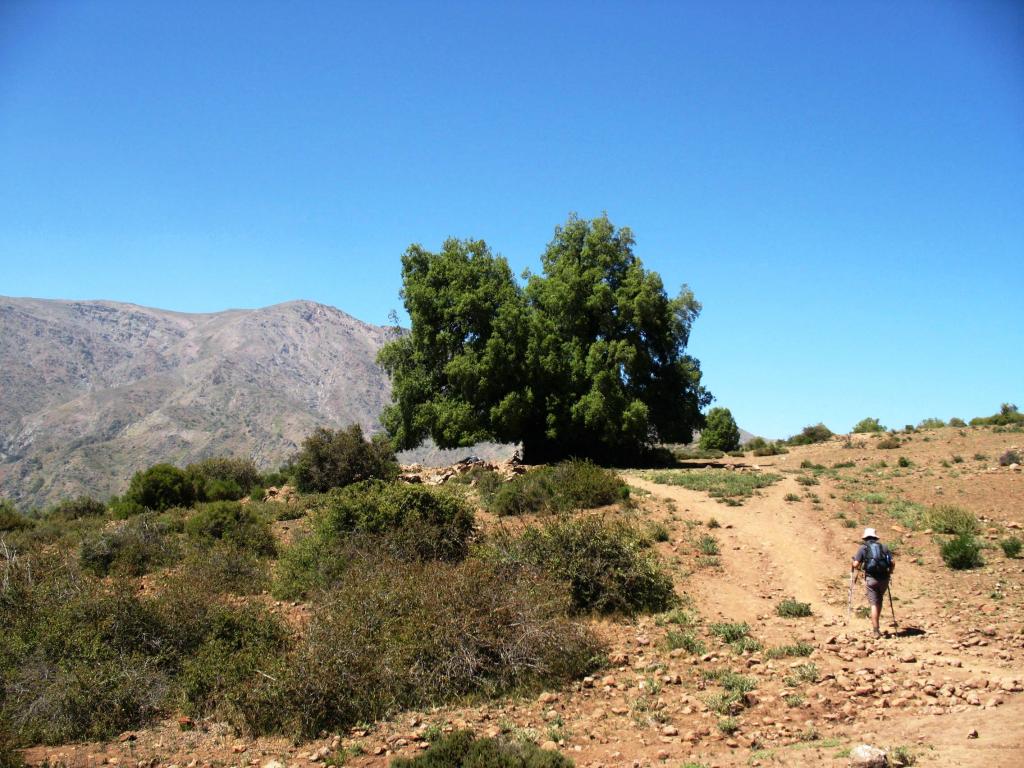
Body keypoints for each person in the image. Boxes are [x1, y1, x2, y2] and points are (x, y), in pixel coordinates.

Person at [851, 527, 895, 638]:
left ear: (865, 537)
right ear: (875, 537)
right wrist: (890, 572)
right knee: (879, 600)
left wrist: (854, 564)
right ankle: (877, 627)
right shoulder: (883, 547)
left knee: (874, 604)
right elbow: (892, 562)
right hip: (884, 578)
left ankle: (875, 630)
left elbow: (856, 565)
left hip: (871, 579)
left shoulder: (863, 548)